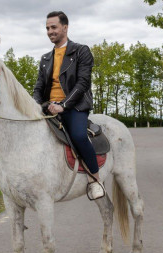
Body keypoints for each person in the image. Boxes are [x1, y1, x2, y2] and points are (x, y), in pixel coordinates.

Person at [33, 11, 105, 200]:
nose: (50, 31)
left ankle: (95, 180)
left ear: (65, 27)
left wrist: (63, 105)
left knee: (80, 136)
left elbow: (83, 83)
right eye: (47, 28)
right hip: (49, 108)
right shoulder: (45, 58)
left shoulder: (81, 51)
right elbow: (39, 87)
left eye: (54, 27)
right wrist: (35, 106)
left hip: (75, 106)